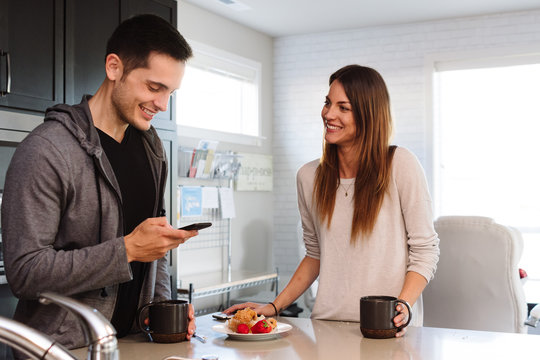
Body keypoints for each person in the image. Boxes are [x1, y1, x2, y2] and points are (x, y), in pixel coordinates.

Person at [1, 14, 197, 350]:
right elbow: (25, 272)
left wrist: (161, 310)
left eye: (171, 93)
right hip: (59, 351)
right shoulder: (46, 150)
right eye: (154, 87)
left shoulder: (153, 150)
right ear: (114, 68)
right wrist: (127, 250)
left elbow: (155, 246)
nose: (163, 105)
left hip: (130, 344)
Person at [225, 65, 440, 337]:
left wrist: (404, 307)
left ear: (369, 114)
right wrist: (275, 306)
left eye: (343, 107)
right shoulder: (308, 176)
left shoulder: (400, 165)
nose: (329, 114)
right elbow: (315, 254)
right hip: (326, 327)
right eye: (328, 103)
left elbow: (425, 251)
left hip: (385, 330)